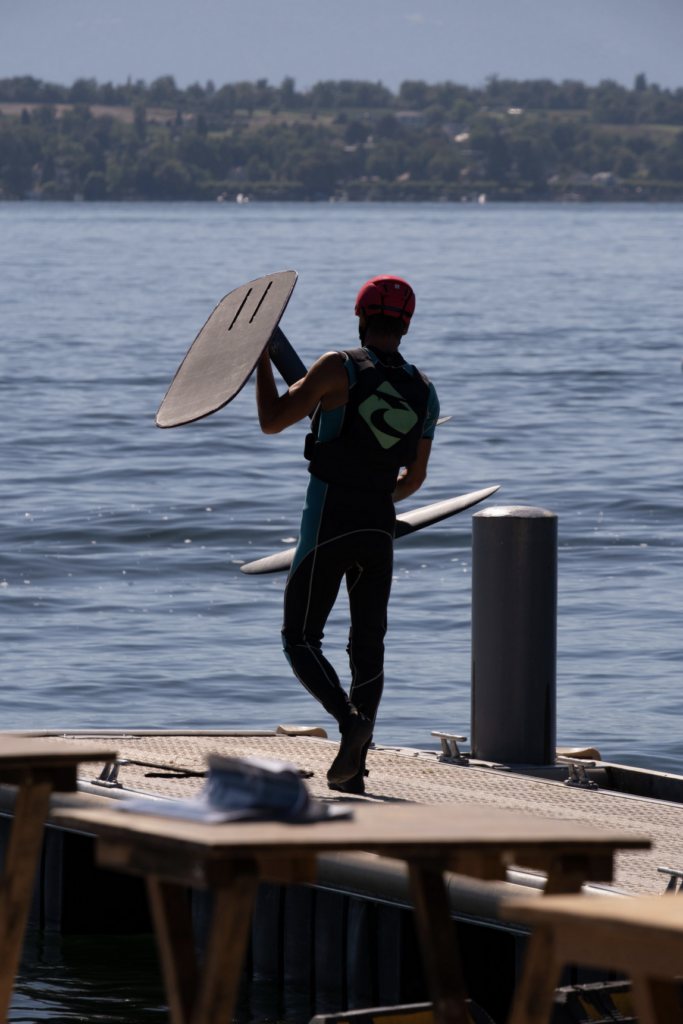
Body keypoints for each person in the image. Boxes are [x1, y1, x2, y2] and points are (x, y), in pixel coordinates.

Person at [255, 276, 439, 794]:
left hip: (329, 521)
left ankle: (348, 720)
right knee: (368, 644)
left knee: (299, 638)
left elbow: (272, 421)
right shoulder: (425, 391)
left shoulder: (338, 367)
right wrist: (375, 499)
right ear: (406, 324)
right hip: (379, 527)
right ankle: (354, 769)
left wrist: (258, 366)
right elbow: (416, 480)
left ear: (360, 316)